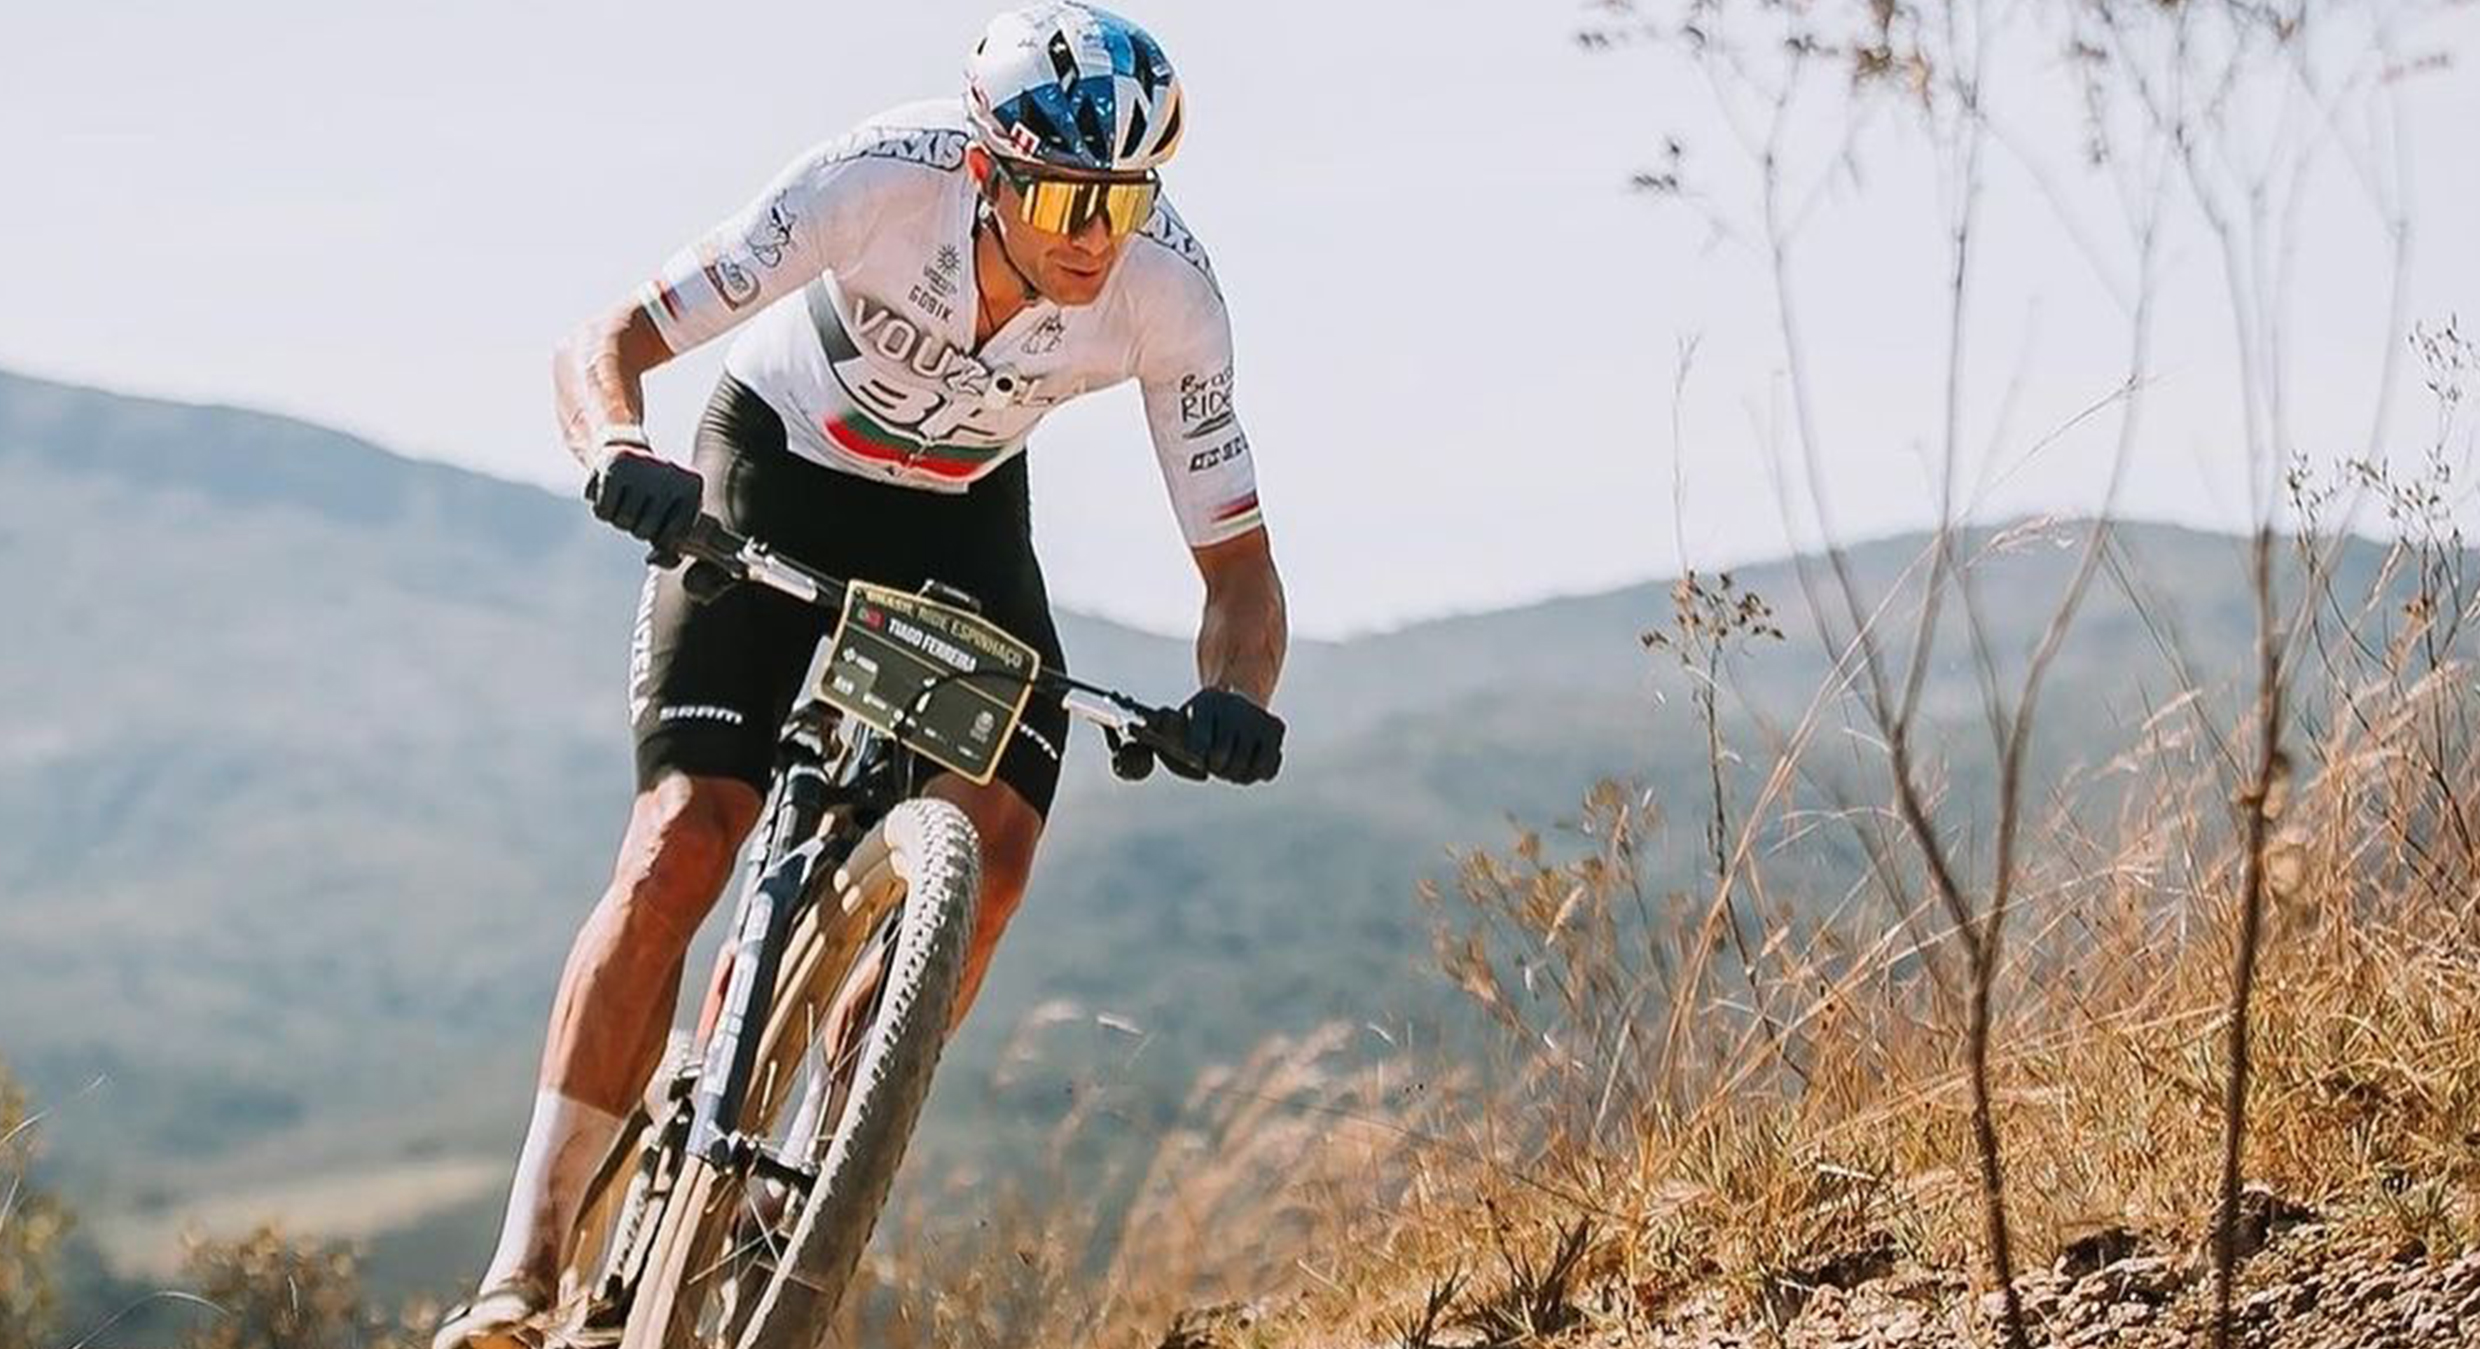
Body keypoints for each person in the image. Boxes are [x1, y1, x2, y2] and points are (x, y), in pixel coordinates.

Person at [432, 5, 1287, 1345]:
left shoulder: (1171, 294)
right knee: (681, 843)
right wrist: (619, 450)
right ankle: (523, 1267)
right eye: (1064, 196)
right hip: (776, 470)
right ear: (988, 169)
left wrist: (1237, 698)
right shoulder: (875, 182)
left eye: (1124, 201)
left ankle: (828, 1145)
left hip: (955, 521)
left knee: (996, 849)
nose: (1093, 234)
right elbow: (605, 342)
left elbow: (1238, 573)